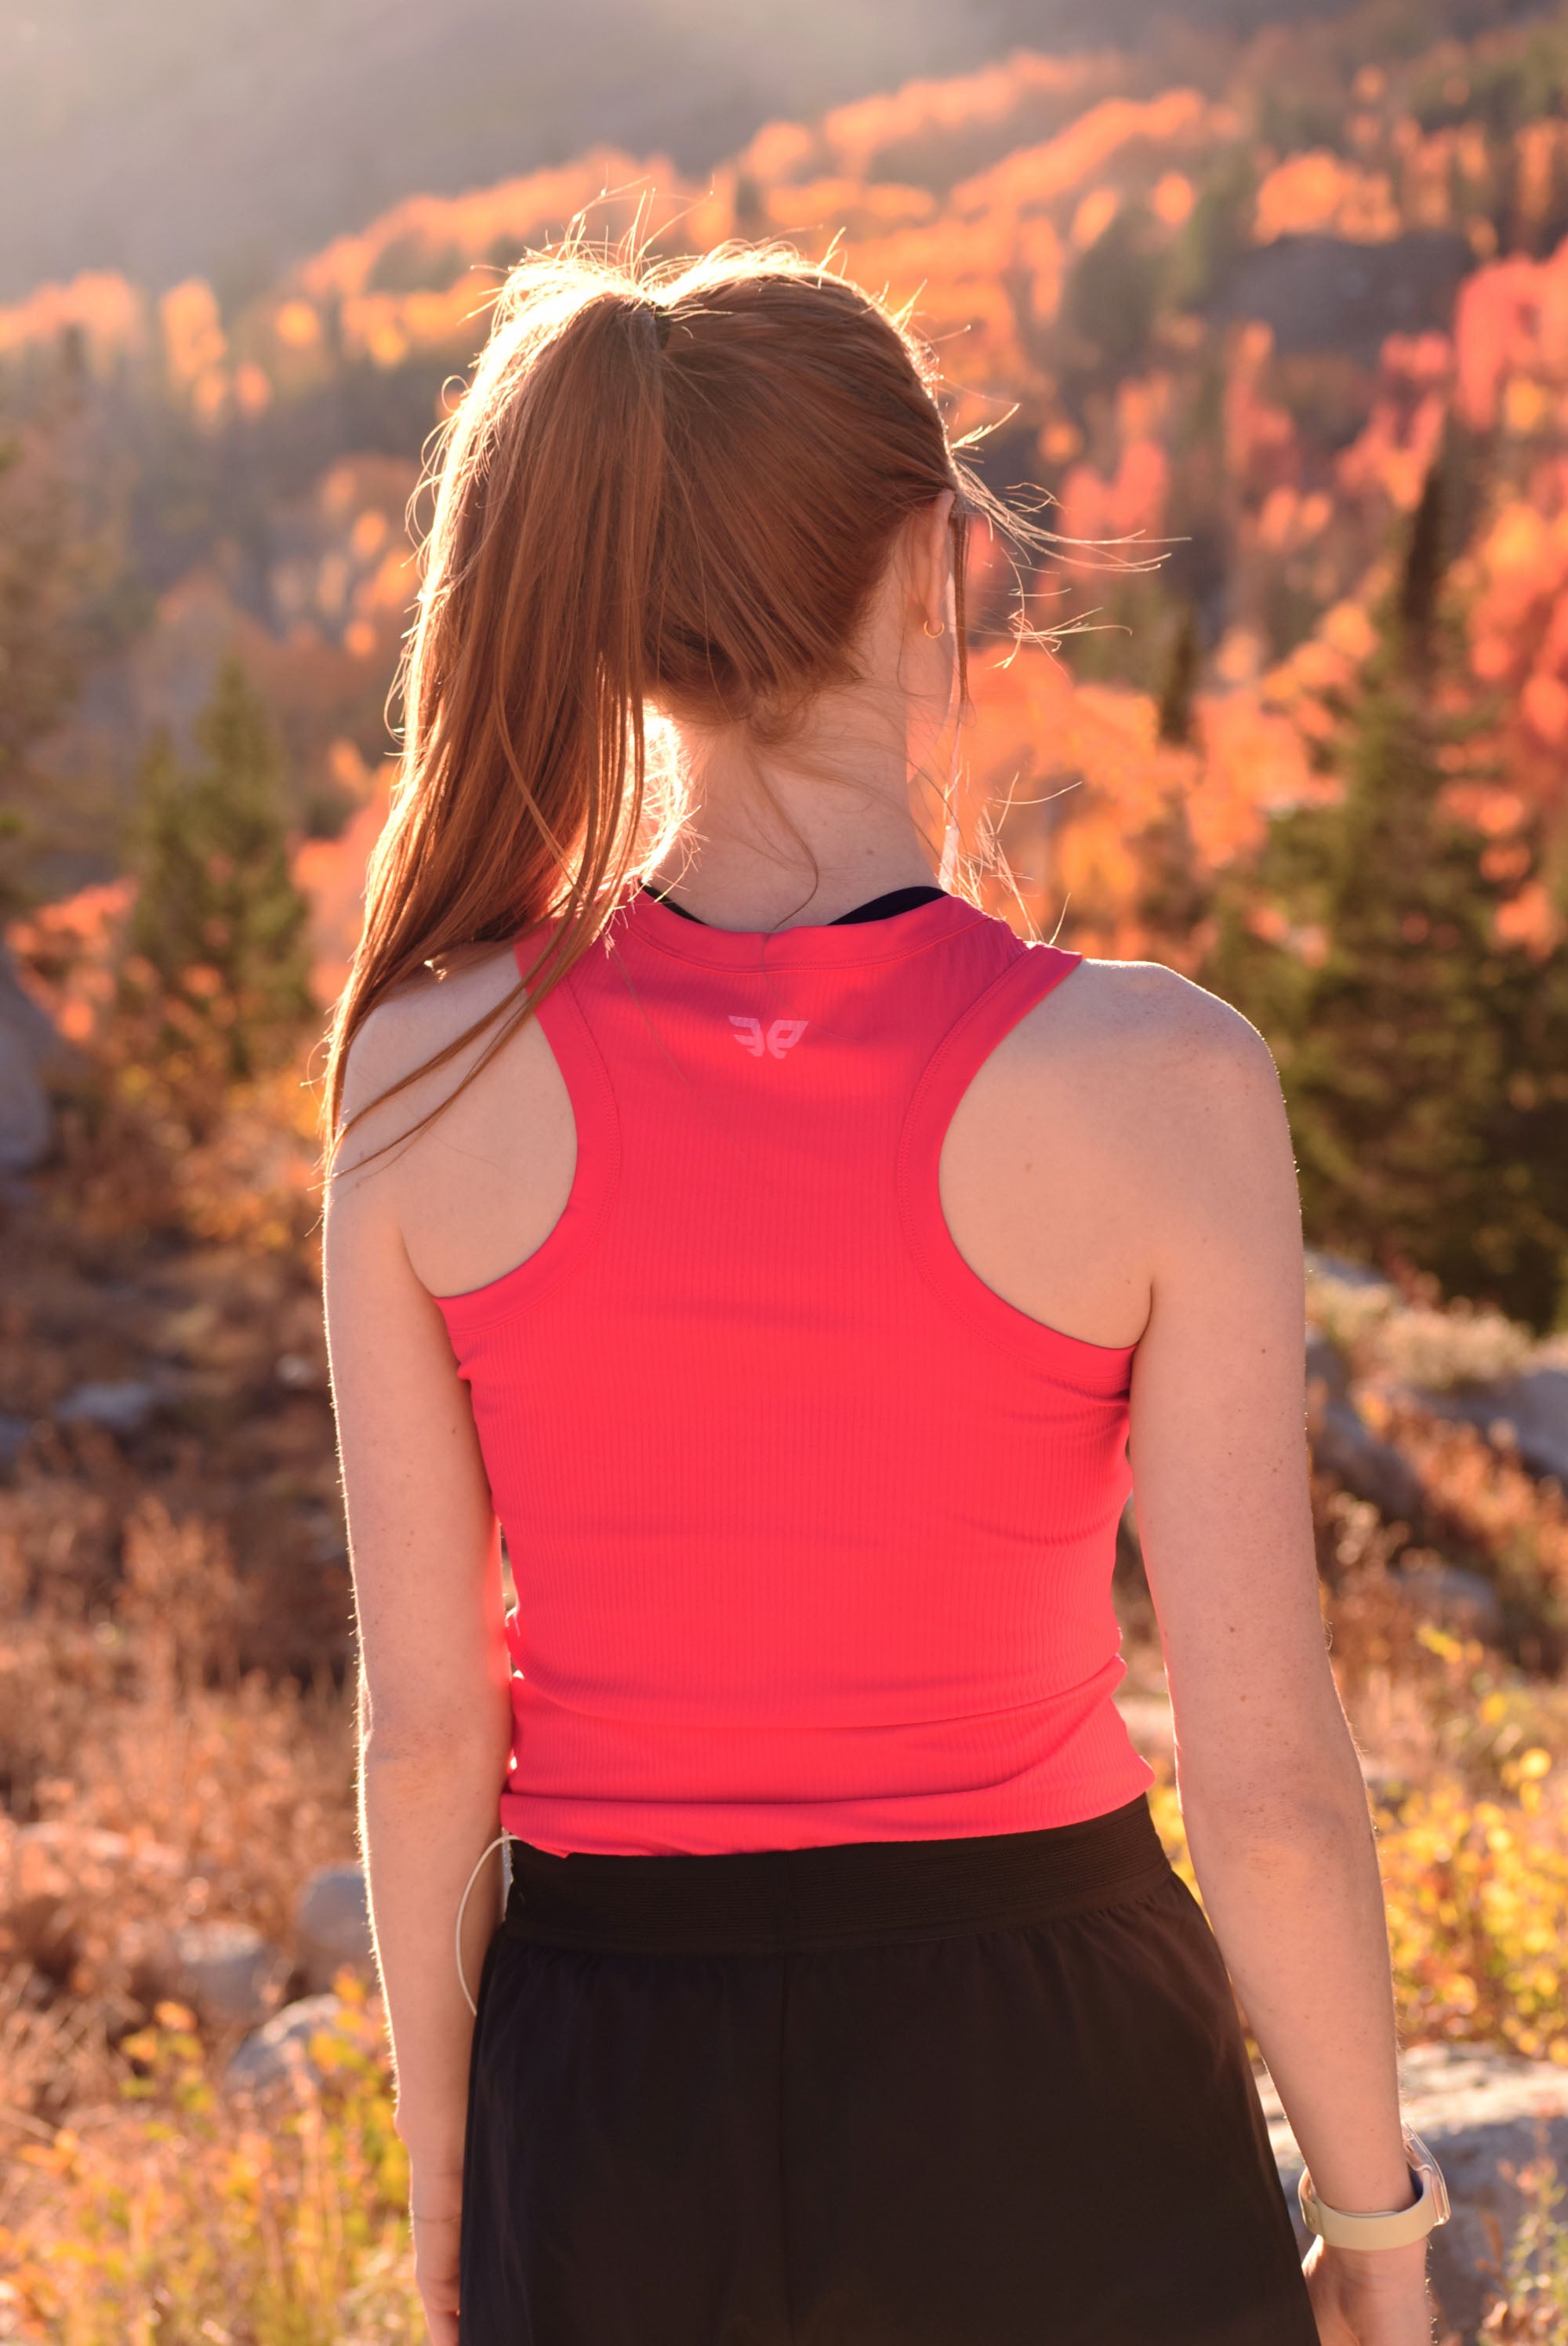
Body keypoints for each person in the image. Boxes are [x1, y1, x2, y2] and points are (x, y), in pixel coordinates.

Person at [323, 238, 1442, 2346]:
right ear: (939, 564)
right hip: (1050, 2080)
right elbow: (1267, 1772)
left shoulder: (422, 1069)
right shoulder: (1160, 1081)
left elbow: (428, 1737)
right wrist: (1379, 2234)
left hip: (602, 2077)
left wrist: (460, 2191)